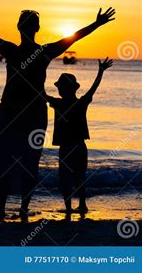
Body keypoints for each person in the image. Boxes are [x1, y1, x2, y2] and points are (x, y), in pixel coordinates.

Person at [0, 1, 115, 221]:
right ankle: (19, 207)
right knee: (24, 159)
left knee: (8, 158)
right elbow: (74, 36)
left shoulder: (13, 50)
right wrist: (97, 23)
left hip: (18, 113)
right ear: (36, 29)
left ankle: (5, 208)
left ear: (19, 28)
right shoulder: (39, 52)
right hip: (24, 114)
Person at [45, 58, 113, 214]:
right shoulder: (80, 103)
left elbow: (40, 93)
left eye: (61, 88)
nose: (60, 90)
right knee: (79, 177)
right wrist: (100, 72)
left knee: (66, 179)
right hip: (80, 147)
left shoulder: (59, 103)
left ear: (64, 89)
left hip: (67, 147)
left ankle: (69, 208)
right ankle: (82, 205)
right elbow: (93, 89)